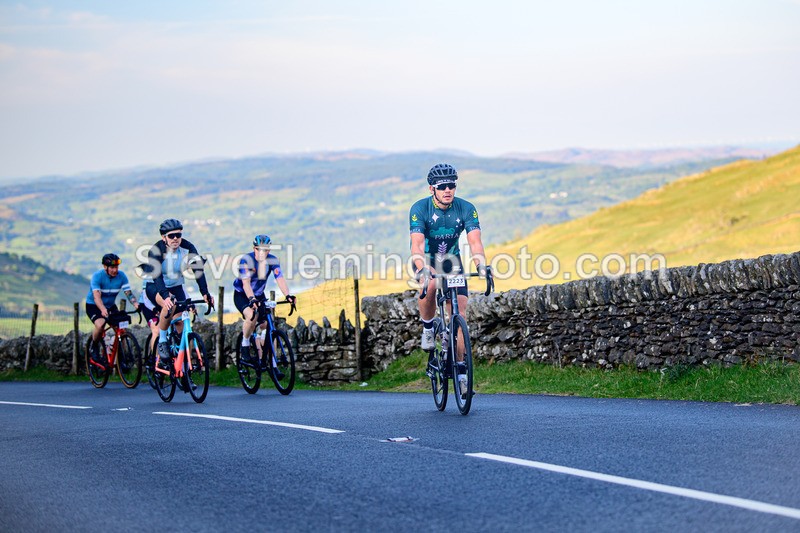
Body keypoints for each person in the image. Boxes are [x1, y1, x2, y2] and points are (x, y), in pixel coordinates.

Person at [409, 163, 490, 396]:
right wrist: (422, 268)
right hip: (426, 259)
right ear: (431, 189)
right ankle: (427, 327)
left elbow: (475, 242)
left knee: (460, 315)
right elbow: (416, 244)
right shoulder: (419, 208)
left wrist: (481, 265)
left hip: (452, 262)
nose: (448, 190)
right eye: (442, 186)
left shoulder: (466, 208)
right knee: (432, 283)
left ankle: (462, 373)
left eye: (452, 185)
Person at [141, 218, 214, 368]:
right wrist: (165, 296)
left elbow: (198, 271)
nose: (175, 239)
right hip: (154, 286)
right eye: (171, 236)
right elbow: (157, 276)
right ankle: (162, 341)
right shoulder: (156, 251)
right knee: (170, 306)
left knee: (181, 322)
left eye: (178, 235)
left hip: (176, 286)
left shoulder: (188, 248)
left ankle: (183, 367)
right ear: (164, 238)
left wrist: (205, 293)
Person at [233, 234, 296, 365]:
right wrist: (251, 299)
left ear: (269, 250)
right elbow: (246, 284)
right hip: (242, 294)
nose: (262, 252)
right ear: (254, 249)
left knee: (267, 324)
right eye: (259, 249)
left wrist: (288, 295)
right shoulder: (246, 260)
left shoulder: (272, 260)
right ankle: (245, 342)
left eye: (266, 250)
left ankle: (268, 361)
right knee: (251, 315)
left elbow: (280, 278)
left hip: (259, 294)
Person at [85, 253, 140, 364]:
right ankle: (94, 346)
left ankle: (120, 358)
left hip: (110, 306)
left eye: (116, 267)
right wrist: (102, 309)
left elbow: (128, 293)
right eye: (112, 267)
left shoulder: (122, 276)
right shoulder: (97, 276)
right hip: (94, 306)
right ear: (105, 267)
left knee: (121, 329)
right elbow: (96, 296)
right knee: (100, 325)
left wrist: (136, 304)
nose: (115, 270)